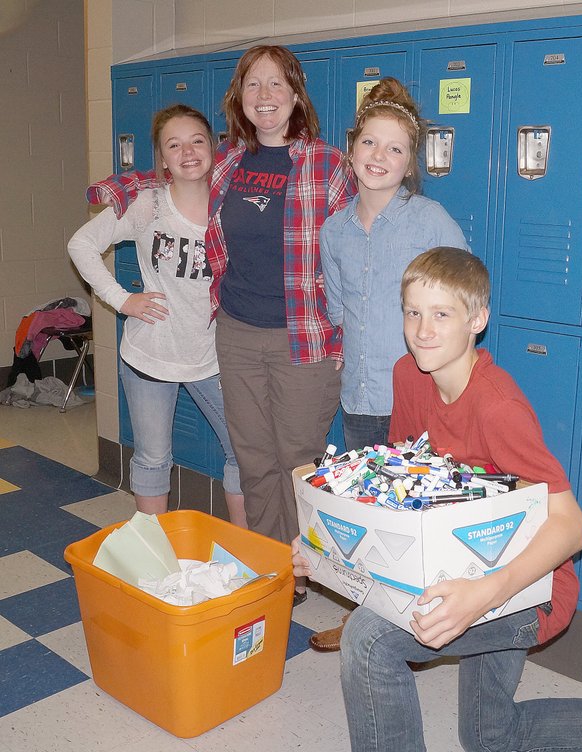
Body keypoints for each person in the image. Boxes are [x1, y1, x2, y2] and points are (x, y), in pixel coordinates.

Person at [292, 247, 582, 752]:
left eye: (442, 315)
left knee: (369, 639)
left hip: (527, 586)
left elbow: (571, 526)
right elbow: (398, 487)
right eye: (413, 312)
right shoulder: (409, 375)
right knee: (490, 737)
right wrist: (322, 545)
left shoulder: (497, 406)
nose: (423, 330)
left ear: (477, 320)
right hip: (458, 566)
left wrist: (485, 594)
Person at [86, 46, 356, 606]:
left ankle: (303, 562)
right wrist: (115, 189)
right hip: (233, 332)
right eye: (252, 85)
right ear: (239, 98)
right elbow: (167, 174)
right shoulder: (230, 161)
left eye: (276, 84)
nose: (264, 96)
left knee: (299, 458)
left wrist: (348, 335)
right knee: (254, 458)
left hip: (301, 335)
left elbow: (355, 256)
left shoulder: (329, 166)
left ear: (296, 95)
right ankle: (274, 568)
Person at [308, 79, 470, 651]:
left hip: (420, 397)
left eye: (395, 148)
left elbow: (465, 297)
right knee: (368, 516)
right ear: (351, 149)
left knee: (420, 514)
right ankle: (365, 622)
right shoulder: (334, 230)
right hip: (361, 395)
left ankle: (424, 621)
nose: (380, 157)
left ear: (411, 161)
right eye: (370, 144)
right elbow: (337, 306)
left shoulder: (430, 221)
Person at [69, 104, 245, 525]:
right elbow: (81, 244)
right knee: (153, 457)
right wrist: (121, 299)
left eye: (197, 141)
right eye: (174, 144)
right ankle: (153, 552)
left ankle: (248, 549)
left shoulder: (233, 208)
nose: (188, 152)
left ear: (214, 148)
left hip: (212, 356)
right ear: (162, 158)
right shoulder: (148, 205)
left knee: (244, 453)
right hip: (150, 355)